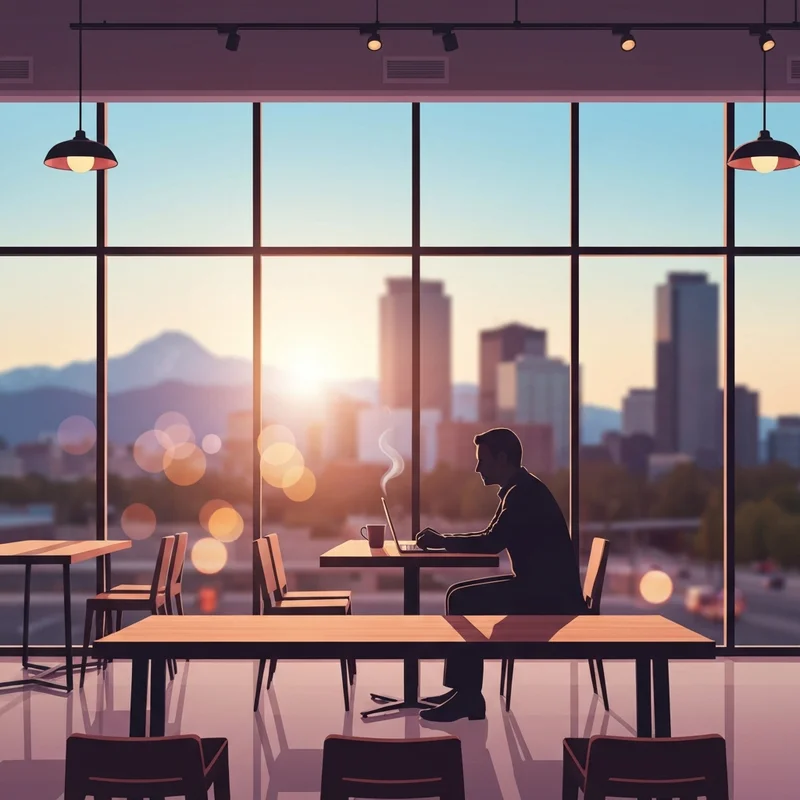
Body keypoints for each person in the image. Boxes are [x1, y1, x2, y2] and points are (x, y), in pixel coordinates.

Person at [414, 427, 586, 722]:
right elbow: (490, 536)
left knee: (463, 600)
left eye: (483, 460)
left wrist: (442, 541)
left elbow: (491, 542)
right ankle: (463, 691)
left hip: (549, 599)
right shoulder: (519, 490)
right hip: (541, 589)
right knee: (458, 596)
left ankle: (468, 696)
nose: (477, 467)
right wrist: (444, 541)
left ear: (502, 458)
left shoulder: (522, 495)